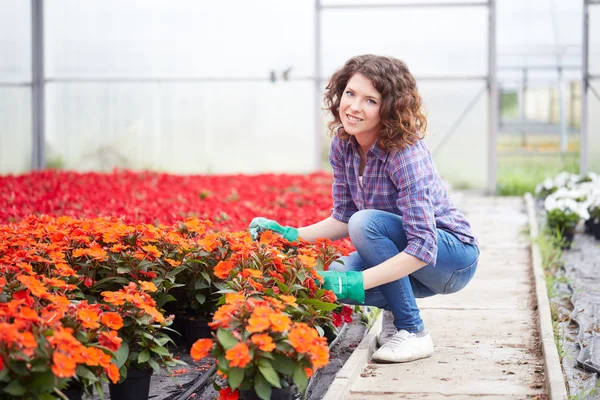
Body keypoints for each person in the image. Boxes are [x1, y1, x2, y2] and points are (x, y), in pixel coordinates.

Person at [249, 54, 479, 364]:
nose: (354, 106)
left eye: (370, 100)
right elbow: (343, 216)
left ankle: (413, 331)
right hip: (410, 250)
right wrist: (289, 235)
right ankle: (398, 314)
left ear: (389, 109)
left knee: (366, 225)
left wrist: (360, 282)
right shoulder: (344, 146)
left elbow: (423, 247)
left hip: (451, 257)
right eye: (350, 93)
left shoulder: (405, 154)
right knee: (333, 277)